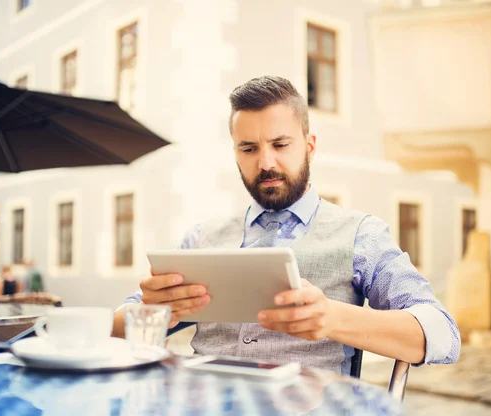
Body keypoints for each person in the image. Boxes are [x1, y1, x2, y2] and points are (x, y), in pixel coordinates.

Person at [112, 76, 461, 374]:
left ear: (309, 147)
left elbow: (443, 335)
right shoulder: (201, 237)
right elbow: (119, 327)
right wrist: (153, 313)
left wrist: (333, 318)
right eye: (248, 149)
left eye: (280, 144)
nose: (266, 162)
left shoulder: (362, 235)